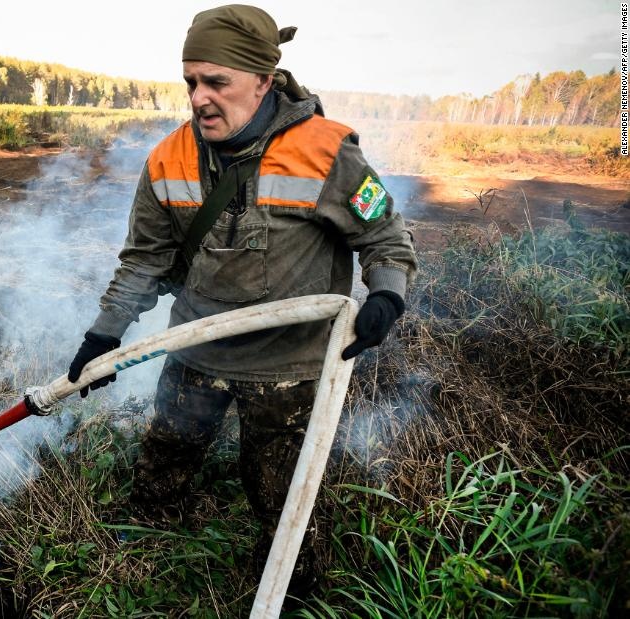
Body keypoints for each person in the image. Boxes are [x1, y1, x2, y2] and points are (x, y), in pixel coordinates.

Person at [66, 4, 417, 594]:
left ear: (262, 79)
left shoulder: (328, 153)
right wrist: (103, 335)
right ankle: (142, 556)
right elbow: (144, 262)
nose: (199, 98)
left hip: (291, 367)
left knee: (283, 497)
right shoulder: (167, 160)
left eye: (216, 82)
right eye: (191, 82)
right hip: (195, 352)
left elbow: (383, 235)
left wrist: (385, 295)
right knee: (165, 463)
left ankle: (294, 587)